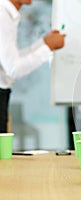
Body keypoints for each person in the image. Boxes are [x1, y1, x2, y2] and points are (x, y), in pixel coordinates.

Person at [0, 0, 65, 132]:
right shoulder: (3, 15)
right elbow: (13, 69)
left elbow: (11, 59)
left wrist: (43, 43)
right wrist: (48, 47)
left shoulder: (7, 13)